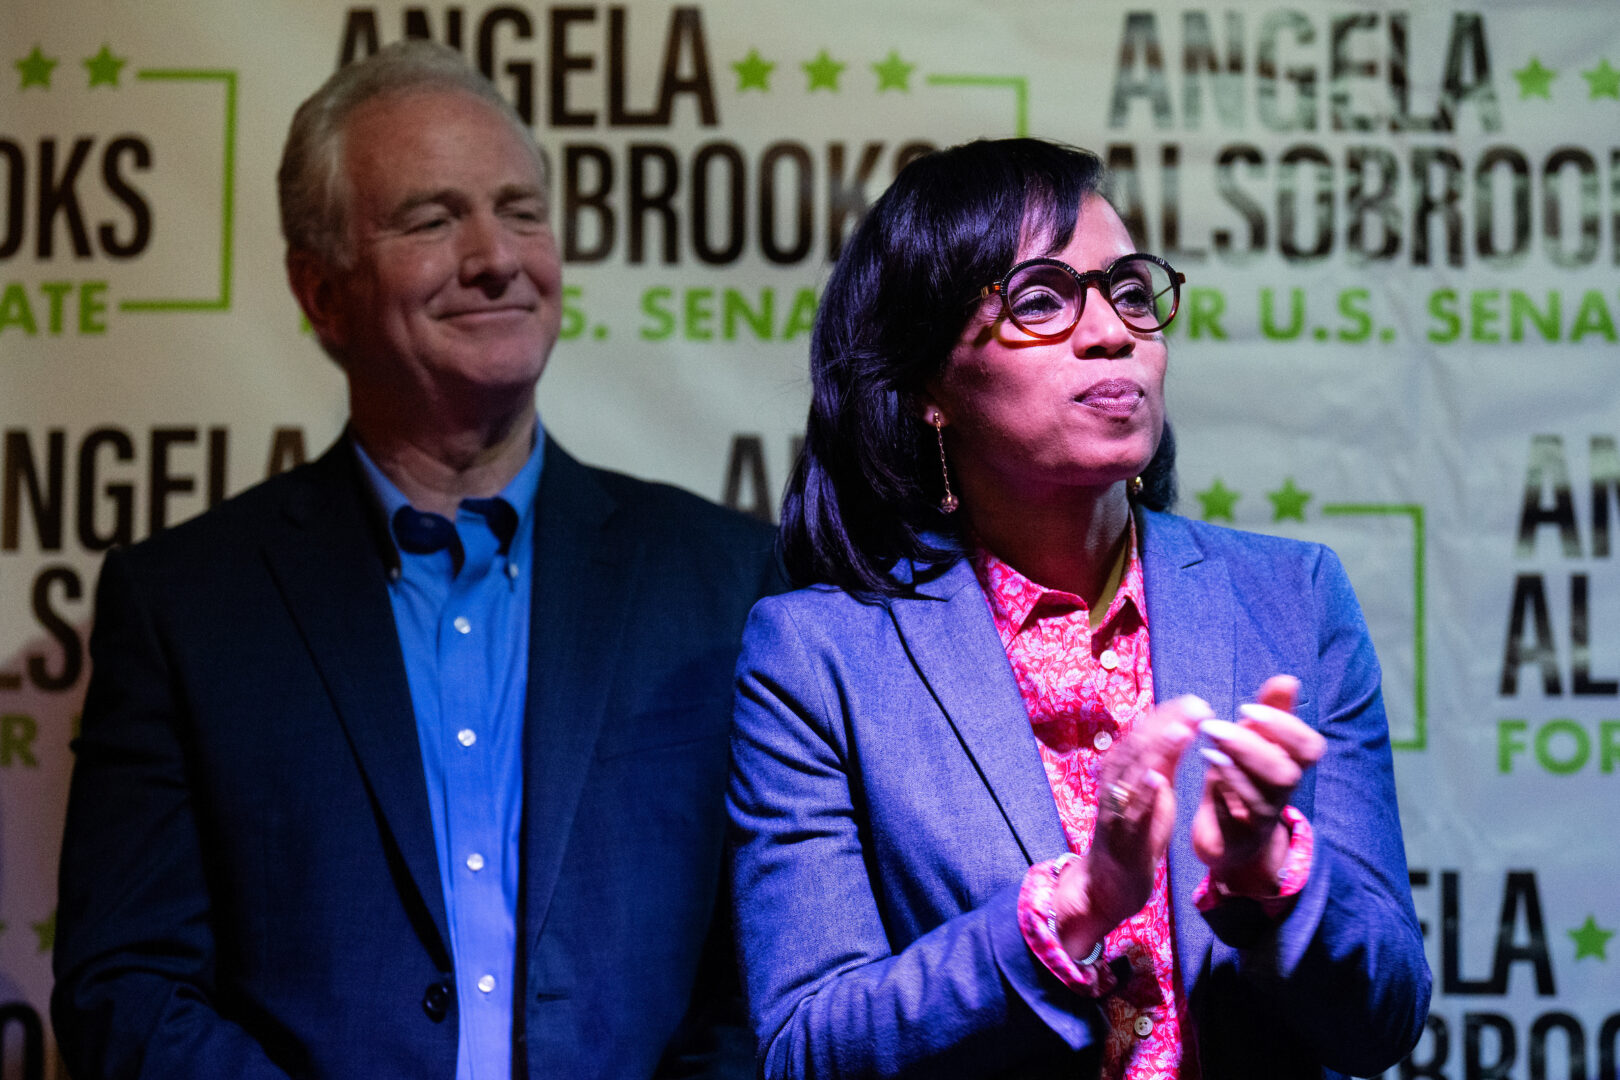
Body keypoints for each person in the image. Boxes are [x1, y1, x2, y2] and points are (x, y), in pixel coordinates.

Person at [52, 41, 776, 1080]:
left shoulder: (726, 580)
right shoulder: (184, 607)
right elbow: (123, 987)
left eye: (521, 211)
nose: (496, 255)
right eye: (433, 220)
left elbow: (770, 980)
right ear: (322, 290)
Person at [727, 138, 1431, 1079]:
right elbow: (807, 1047)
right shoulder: (818, 657)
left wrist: (1274, 880)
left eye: (1131, 291)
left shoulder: (1293, 598)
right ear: (930, 384)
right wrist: (1074, 906)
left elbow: (1382, 1019)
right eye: (1043, 299)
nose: (1113, 332)